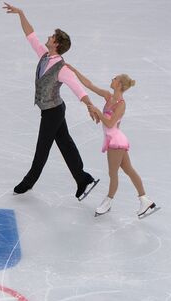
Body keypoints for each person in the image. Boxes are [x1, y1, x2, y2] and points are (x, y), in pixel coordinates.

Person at [3, 3, 99, 201]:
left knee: (43, 147)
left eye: (51, 37)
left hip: (53, 111)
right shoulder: (45, 56)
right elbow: (31, 36)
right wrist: (21, 14)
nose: (48, 38)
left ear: (56, 44)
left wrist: (89, 105)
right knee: (65, 144)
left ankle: (28, 182)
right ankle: (83, 179)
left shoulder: (62, 68)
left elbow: (77, 88)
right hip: (52, 110)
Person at [67, 65, 159, 218]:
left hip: (116, 141)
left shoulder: (121, 104)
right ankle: (145, 200)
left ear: (120, 85)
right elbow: (89, 85)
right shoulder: (108, 96)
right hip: (113, 139)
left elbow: (110, 124)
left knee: (113, 173)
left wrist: (97, 111)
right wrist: (75, 71)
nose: (112, 79)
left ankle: (108, 201)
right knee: (128, 169)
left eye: (115, 79)